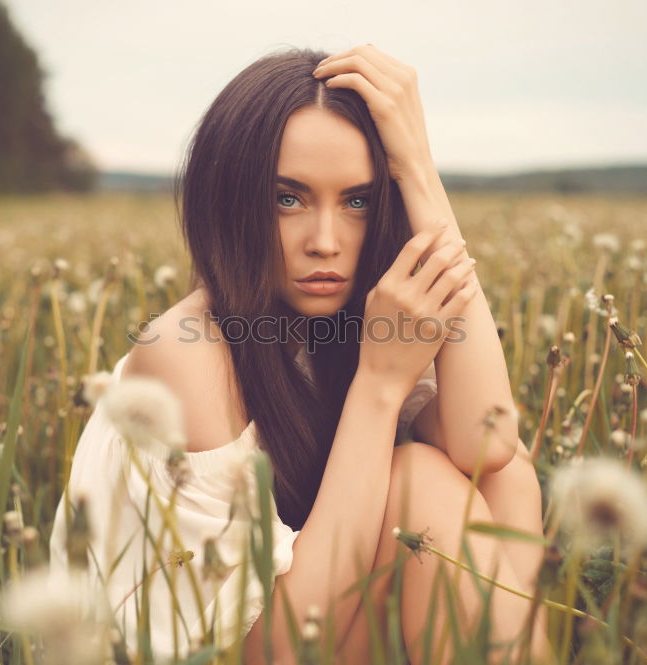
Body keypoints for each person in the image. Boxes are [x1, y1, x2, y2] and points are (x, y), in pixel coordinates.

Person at [49, 44, 549, 665]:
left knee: (503, 476)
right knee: (421, 489)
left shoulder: (351, 319)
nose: (325, 242)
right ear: (231, 203)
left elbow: (487, 442)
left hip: (320, 621)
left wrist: (420, 169)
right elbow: (273, 649)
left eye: (358, 201)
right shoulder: (187, 353)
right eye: (288, 199)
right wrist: (379, 384)